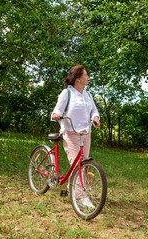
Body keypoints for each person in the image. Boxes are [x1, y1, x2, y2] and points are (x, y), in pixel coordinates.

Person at [51, 65, 100, 208]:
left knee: (83, 163)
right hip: (70, 134)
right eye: (86, 75)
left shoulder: (88, 94)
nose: (88, 77)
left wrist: (96, 118)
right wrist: (56, 115)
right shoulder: (67, 93)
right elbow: (57, 111)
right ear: (78, 79)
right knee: (76, 165)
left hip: (85, 133)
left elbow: (94, 111)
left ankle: (75, 189)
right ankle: (79, 197)